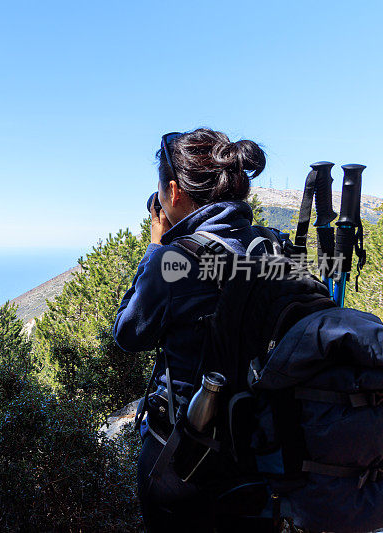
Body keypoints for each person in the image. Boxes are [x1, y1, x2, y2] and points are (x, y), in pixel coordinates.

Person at [113, 128, 277, 532]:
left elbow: (128, 334)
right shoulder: (270, 245)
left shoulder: (175, 260)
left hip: (184, 457)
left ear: (172, 190)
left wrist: (155, 247)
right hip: (262, 452)